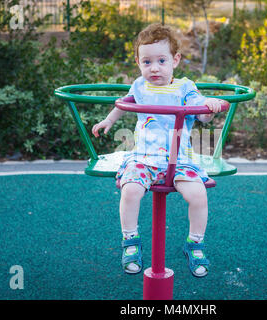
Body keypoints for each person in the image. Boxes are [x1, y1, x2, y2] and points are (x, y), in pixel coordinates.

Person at [92, 23, 223, 277]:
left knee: (198, 195)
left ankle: (195, 243)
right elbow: (124, 104)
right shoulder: (139, 86)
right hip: (144, 158)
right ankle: (130, 241)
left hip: (179, 159)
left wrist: (211, 107)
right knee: (130, 189)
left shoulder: (185, 87)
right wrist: (109, 120)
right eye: (147, 61)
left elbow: (201, 113)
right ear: (138, 62)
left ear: (175, 60)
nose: (154, 68)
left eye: (161, 60)